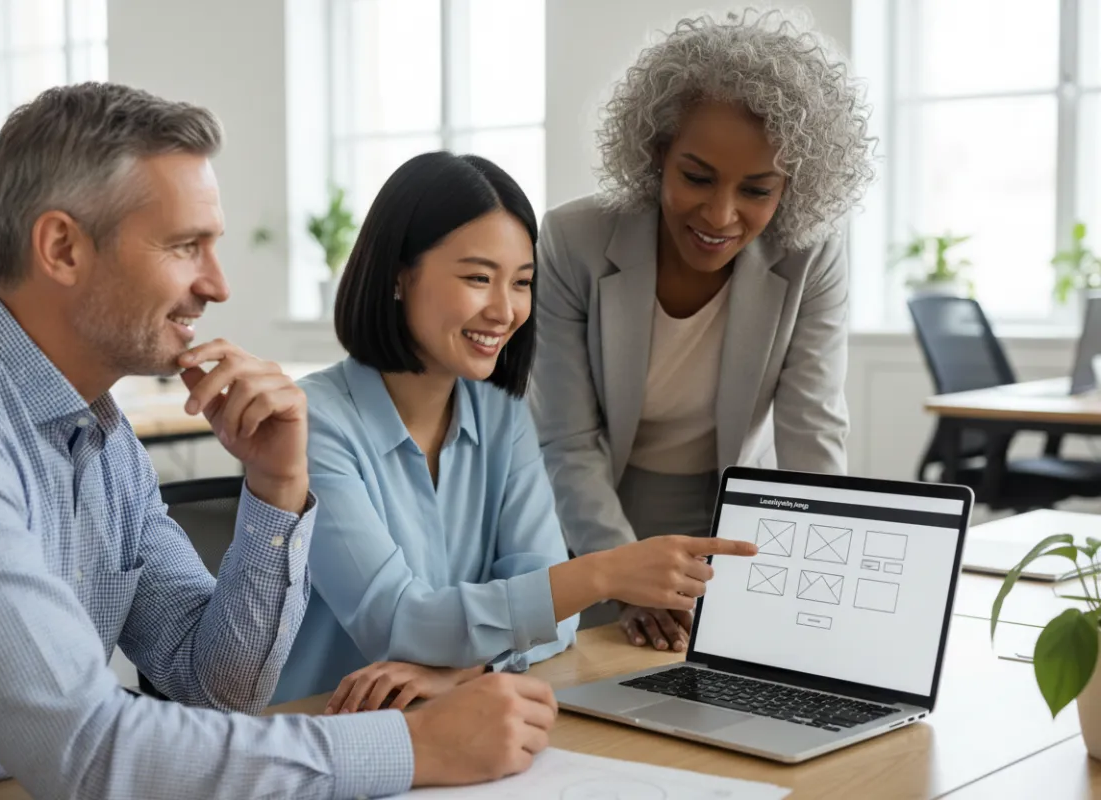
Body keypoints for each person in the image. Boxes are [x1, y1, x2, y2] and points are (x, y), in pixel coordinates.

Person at [0, 83, 558, 800]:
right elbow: (87, 747)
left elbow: (215, 688)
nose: (217, 284)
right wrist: (411, 746)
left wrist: (275, 490)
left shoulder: (107, 444)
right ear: (62, 247)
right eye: (186, 247)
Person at [268, 151, 757, 710]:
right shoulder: (313, 422)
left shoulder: (503, 415)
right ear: (399, 276)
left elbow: (559, 618)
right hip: (319, 731)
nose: (504, 310)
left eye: (521, 283)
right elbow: (399, 621)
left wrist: (470, 667)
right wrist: (603, 573)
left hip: (454, 718)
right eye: (479, 278)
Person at [531, 9, 877, 652]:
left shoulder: (811, 255)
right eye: (696, 177)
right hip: (596, 523)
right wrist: (628, 574)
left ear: (793, 186)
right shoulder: (574, 240)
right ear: (656, 152)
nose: (720, 215)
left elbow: (813, 433)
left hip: (741, 527)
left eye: (757, 189)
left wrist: (822, 582)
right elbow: (567, 440)